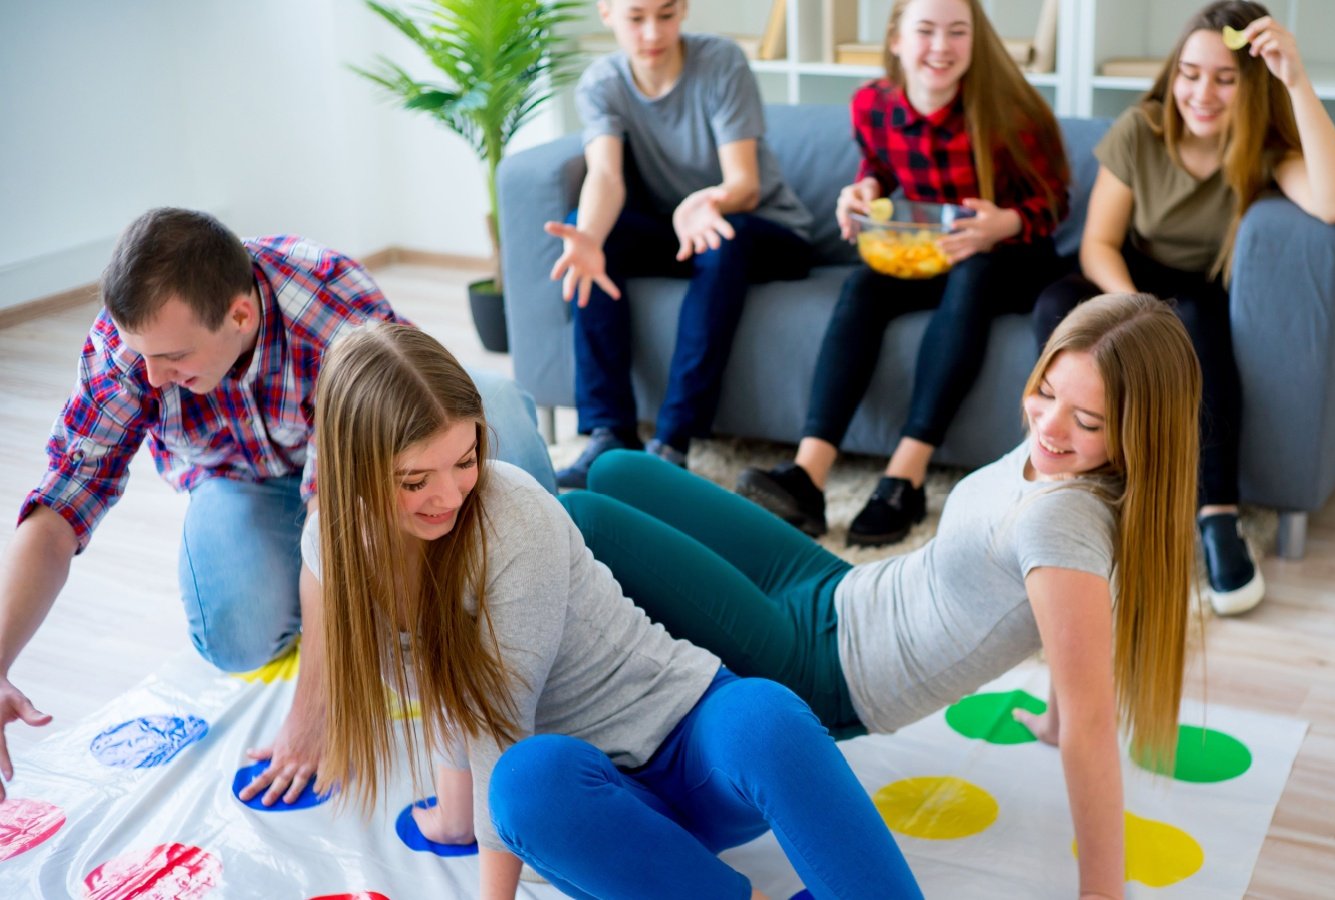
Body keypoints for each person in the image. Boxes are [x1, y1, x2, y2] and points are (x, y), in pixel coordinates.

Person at [565, 292, 1202, 900]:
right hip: (836, 586)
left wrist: (1100, 887)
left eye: (1085, 420)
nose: (1050, 424)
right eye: (1046, 391)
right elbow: (1070, 635)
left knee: (588, 520)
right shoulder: (1063, 452)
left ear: (1136, 435)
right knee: (620, 469)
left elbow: (1093, 720)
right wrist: (1055, 719)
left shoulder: (1062, 525)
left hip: (825, 671)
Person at [307, 322, 921, 900]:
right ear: (354, 468)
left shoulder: (511, 511)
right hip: (591, 805)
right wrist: (451, 817)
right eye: (415, 480)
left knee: (766, 715)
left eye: (464, 461)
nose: (448, 496)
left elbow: (496, 717)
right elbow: (450, 698)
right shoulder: (332, 552)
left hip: (687, 742)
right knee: (525, 786)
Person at [0, 207, 556, 805]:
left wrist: (317, 709)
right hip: (236, 477)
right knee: (234, 635)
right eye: (143, 356)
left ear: (239, 315)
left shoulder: (326, 302)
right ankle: (353, 615)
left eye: (175, 359)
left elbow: (332, 523)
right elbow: (62, 502)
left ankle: (549, 574)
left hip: (376, 462)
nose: (153, 378)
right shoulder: (131, 348)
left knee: (497, 415)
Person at [1031, 1, 1335, 616]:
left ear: (1250, 85)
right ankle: (1077, 483)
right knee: (1056, 305)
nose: (1200, 92)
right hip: (1123, 274)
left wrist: (1296, 79)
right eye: (1189, 73)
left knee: (1201, 328)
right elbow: (1099, 242)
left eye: (1223, 78)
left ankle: (1217, 518)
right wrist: (1131, 307)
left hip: (1197, 287)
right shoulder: (1142, 128)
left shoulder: (1264, 149)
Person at [736, 0, 1070, 548]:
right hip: (934, 247)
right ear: (896, 39)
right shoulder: (872, 104)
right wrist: (866, 190)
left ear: (975, 39)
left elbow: (1055, 201)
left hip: (1013, 254)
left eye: (957, 32)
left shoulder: (1012, 110)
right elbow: (880, 168)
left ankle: (905, 475)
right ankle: (807, 476)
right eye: (926, 31)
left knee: (974, 267)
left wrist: (1002, 222)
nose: (941, 47)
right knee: (863, 283)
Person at [545, 0, 814, 488]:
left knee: (720, 241)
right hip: (679, 232)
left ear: (684, 9)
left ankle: (673, 441)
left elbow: (745, 184)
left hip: (764, 228)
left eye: (666, 15)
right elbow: (605, 175)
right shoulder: (602, 83)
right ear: (607, 13)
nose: (653, 33)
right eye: (636, 17)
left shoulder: (721, 63)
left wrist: (705, 203)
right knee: (590, 237)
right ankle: (610, 432)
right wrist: (589, 234)